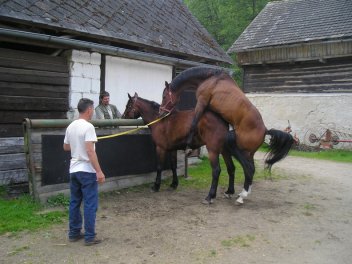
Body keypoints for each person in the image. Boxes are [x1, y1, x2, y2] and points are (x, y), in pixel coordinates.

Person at [63, 98, 105, 246]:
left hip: (73, 170)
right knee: (90, 204)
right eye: (92, 109)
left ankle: (74, 233)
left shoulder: (71, 126)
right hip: (87, 170)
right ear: (88, 110)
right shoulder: (88, 127)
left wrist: (77, 145)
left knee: (74, 202)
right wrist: (99, 171)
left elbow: (66, 147)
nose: (93, 111)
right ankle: (90, 236)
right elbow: (90, 151)